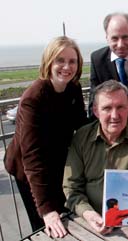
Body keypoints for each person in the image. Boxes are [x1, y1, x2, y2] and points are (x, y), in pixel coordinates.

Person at [3, 36, 87, 238]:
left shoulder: (73, 89)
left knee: (63, 216)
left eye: (72, 61)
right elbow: (31, 158)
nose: (66, 67)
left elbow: (82, 127)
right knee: (46, 224)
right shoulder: (33, 99)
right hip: (28, 168)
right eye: (60, 60)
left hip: (57, 162)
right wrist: (46, 211)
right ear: (49, 61)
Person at [63, 80, 128, 241]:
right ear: (95, 110)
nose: (115, 115)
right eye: (107, 108)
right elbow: (72, 187)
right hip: (88, 215)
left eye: (120, 107)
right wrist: (88, 213)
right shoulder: (81, 138)